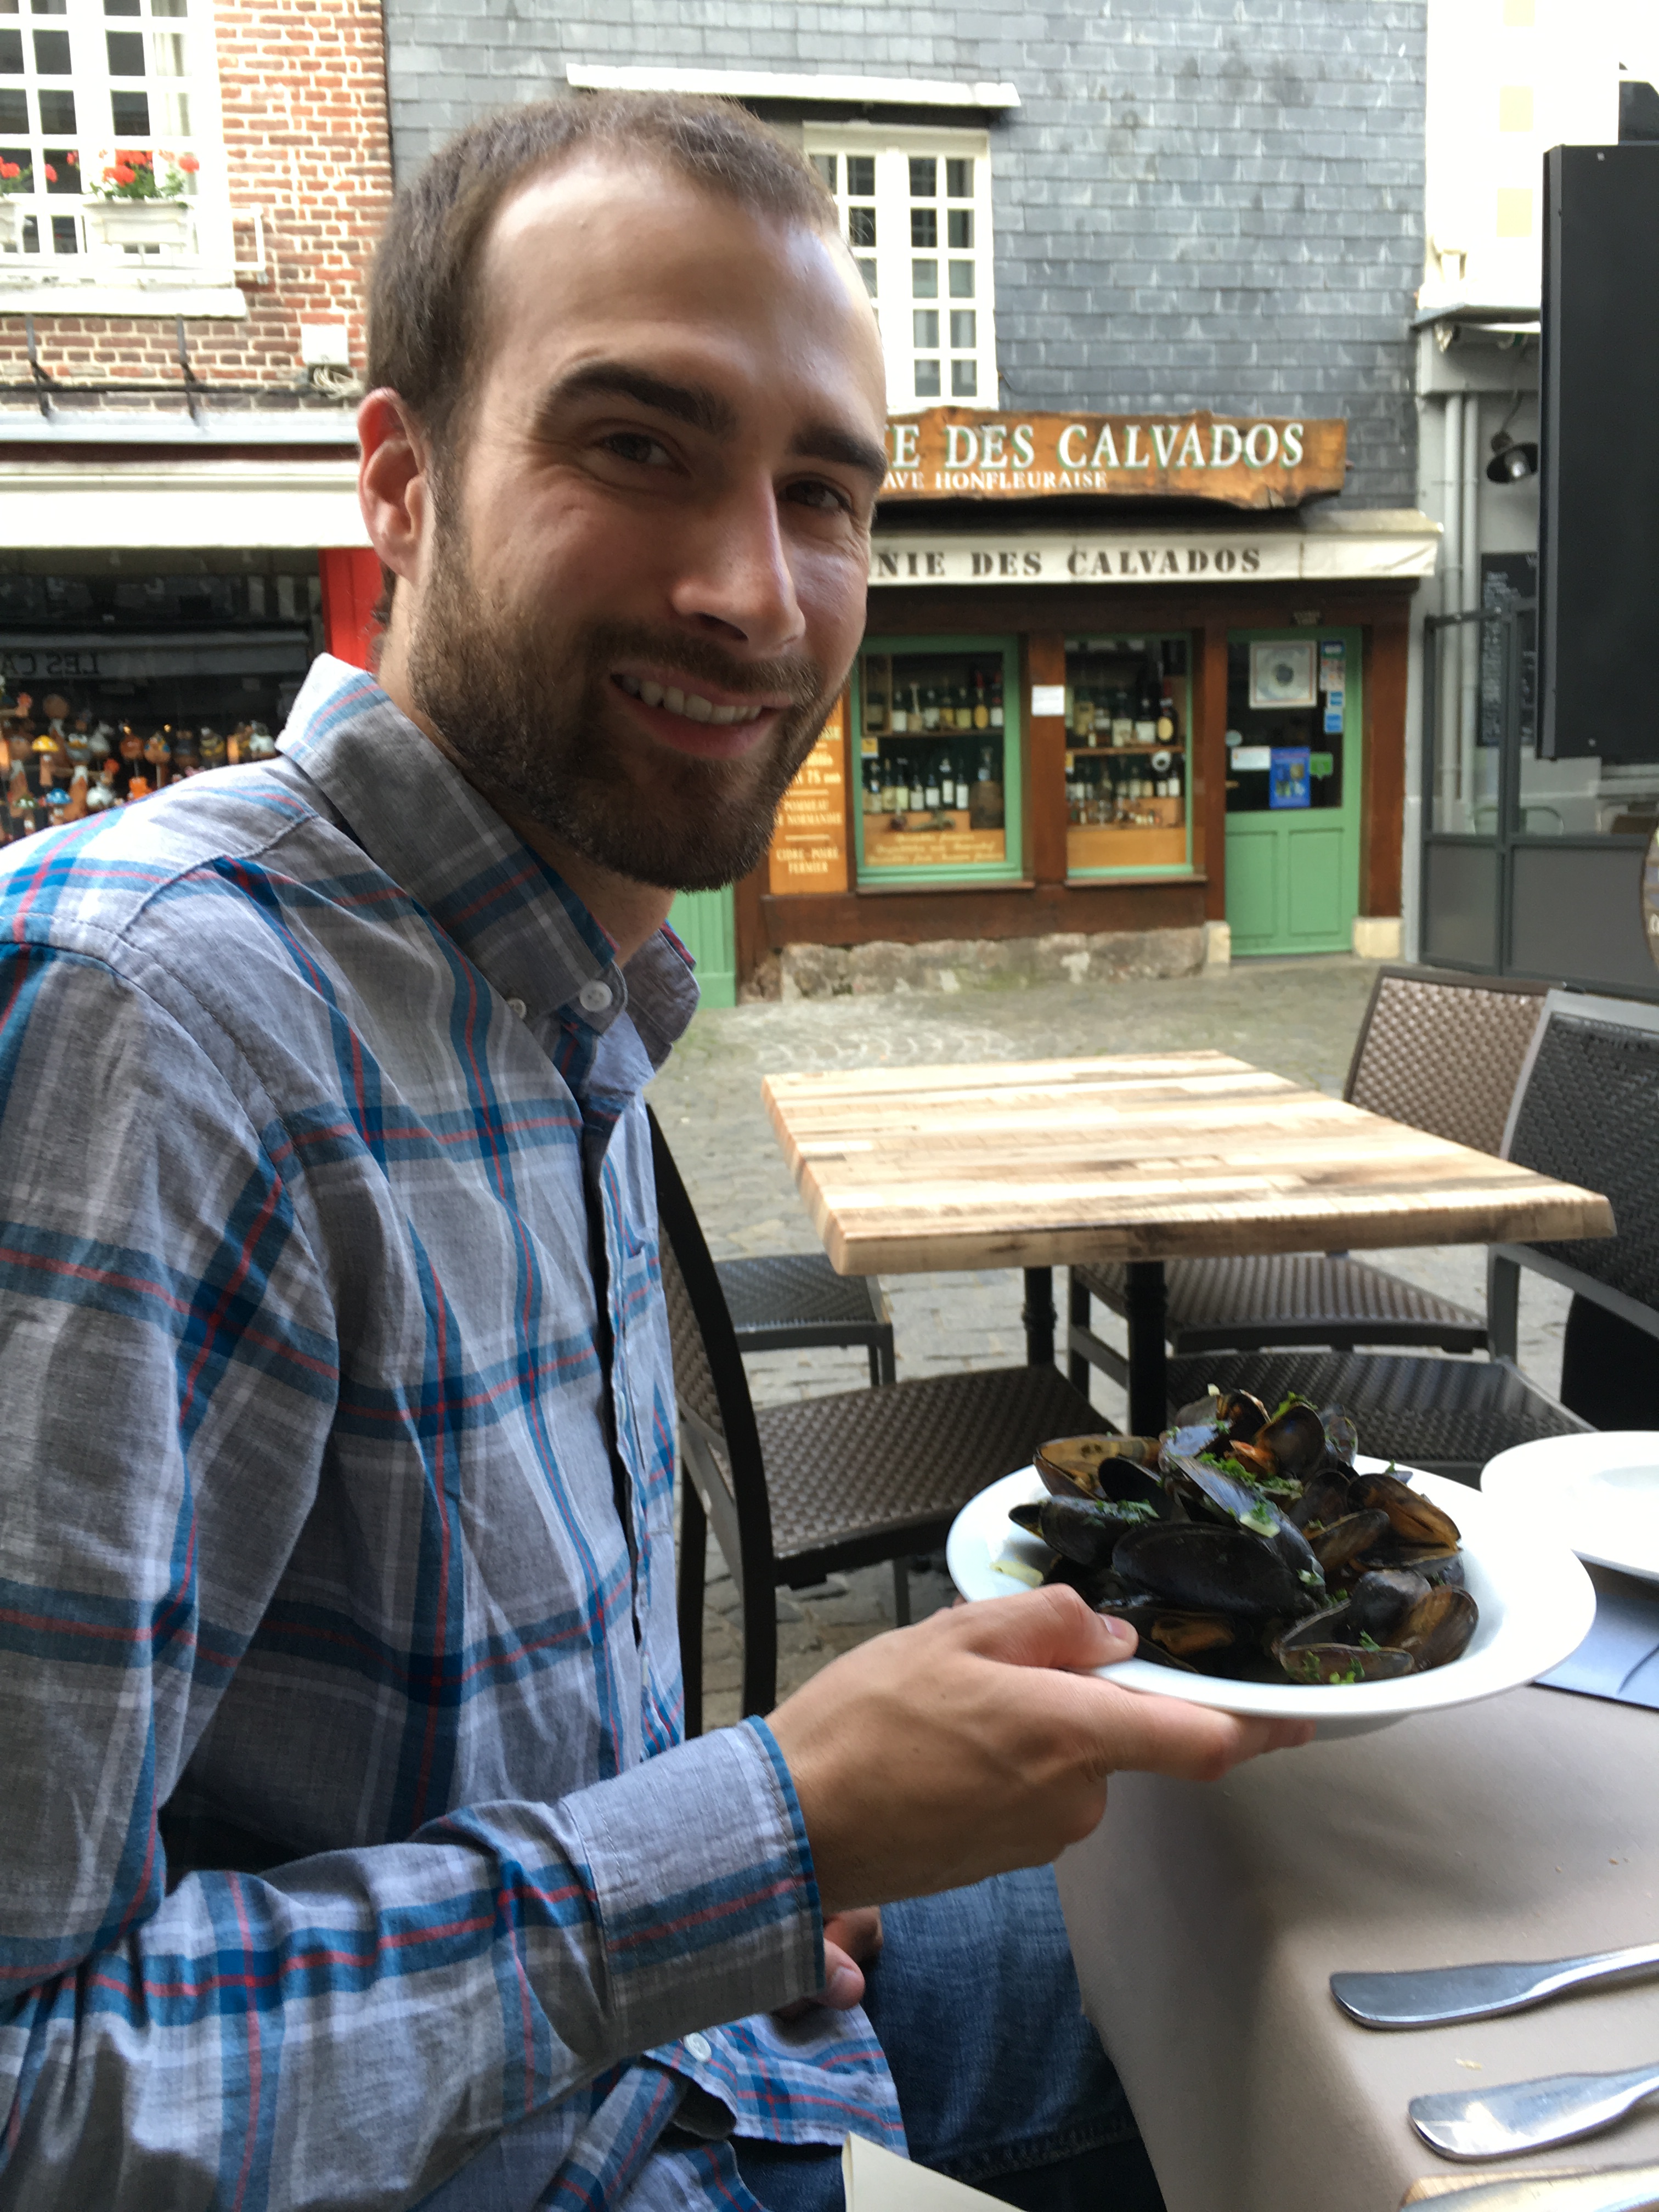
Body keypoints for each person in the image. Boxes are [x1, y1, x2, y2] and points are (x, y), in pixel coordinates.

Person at [0, 95, 1309, 2211]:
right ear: (402, 481)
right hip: (581, 2150)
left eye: (824, 494)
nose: (752, 592)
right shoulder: (150, 1028)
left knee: (1349, 1927)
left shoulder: (556, 989)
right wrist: (757, 1831)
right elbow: (29, 2091)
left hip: (711, 2040)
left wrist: (744, 1868)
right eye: (638, 447)